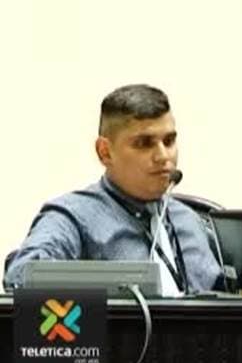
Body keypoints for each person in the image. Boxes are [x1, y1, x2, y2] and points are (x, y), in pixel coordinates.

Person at [5, 84, 222, 294]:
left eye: (169, 141)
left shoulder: (190, 220)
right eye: (144, 143)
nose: (163, 156)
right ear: (105, 152)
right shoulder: (74, 217)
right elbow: (21, 275)